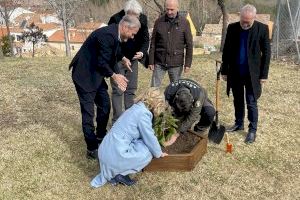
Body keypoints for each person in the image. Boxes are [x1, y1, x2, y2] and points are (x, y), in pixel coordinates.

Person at [69, 15, 141, 159]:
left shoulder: (115, 33)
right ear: (126, 27)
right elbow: (103, 62)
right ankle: (91, 148)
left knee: (105, 105)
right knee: (88, 113)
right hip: (84, 76)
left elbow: (114, 50)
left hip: (96, 75)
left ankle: (101, 136)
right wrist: (115, 75)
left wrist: (123, 58)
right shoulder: (108, 35)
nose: (133, 37)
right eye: (133, 33)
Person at [90, 88, 168, 188]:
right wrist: (159, 153)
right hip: (112, 154)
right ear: (156, 102)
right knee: (148, 153)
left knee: (141, 143)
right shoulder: (143, 114)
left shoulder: (136, 107)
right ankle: (119, 174)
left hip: (105, 149)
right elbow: (150, 137)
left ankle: (116, 169)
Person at [221, 4, 271, 144]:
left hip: (252, 74)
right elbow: (226, 51)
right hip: (236, 72)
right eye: (243, 20)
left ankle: (252, 129)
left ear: (254, 17)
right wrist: (224, 70)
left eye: (248, 21)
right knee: (237, 100)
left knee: (251, 102)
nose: (244, 23)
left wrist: (264, 75)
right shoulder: (232, 28)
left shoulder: (262, 29)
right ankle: (238, 123)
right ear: (240, 16)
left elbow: (266, 53)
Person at [108, 0, 150, 123]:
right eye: (133, 16)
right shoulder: (115, 19)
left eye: (137, 16)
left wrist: (142, 52)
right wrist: (121, 57)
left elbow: (145, 39)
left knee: (131, 89)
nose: (136, 19)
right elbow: (112, 43)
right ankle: (117, 121)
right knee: (118, 90)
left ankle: (129, 120)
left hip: (133, 60)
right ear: (126, 13)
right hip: (117, 60)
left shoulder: (142, 19)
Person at [148, 0, 193, 87]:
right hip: (159, 62)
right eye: (167, 9)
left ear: (177, 8)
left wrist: (188, 64)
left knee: (176, 89)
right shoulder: (158, 22)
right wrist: (151, 61)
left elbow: (189, 44)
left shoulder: (184, 23)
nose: (169, 12)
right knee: (153, 89)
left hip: (176, 63)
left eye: (172, 9)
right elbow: (153, 42)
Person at [163, 79, 216, 144]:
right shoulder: (169, 92)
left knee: (210, 112)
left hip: (200, 98)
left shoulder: (198, 95)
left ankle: (199, 131)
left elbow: (193, 116)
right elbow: (164, 110)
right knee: (178, 122)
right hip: (176, 103)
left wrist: (176, 134)